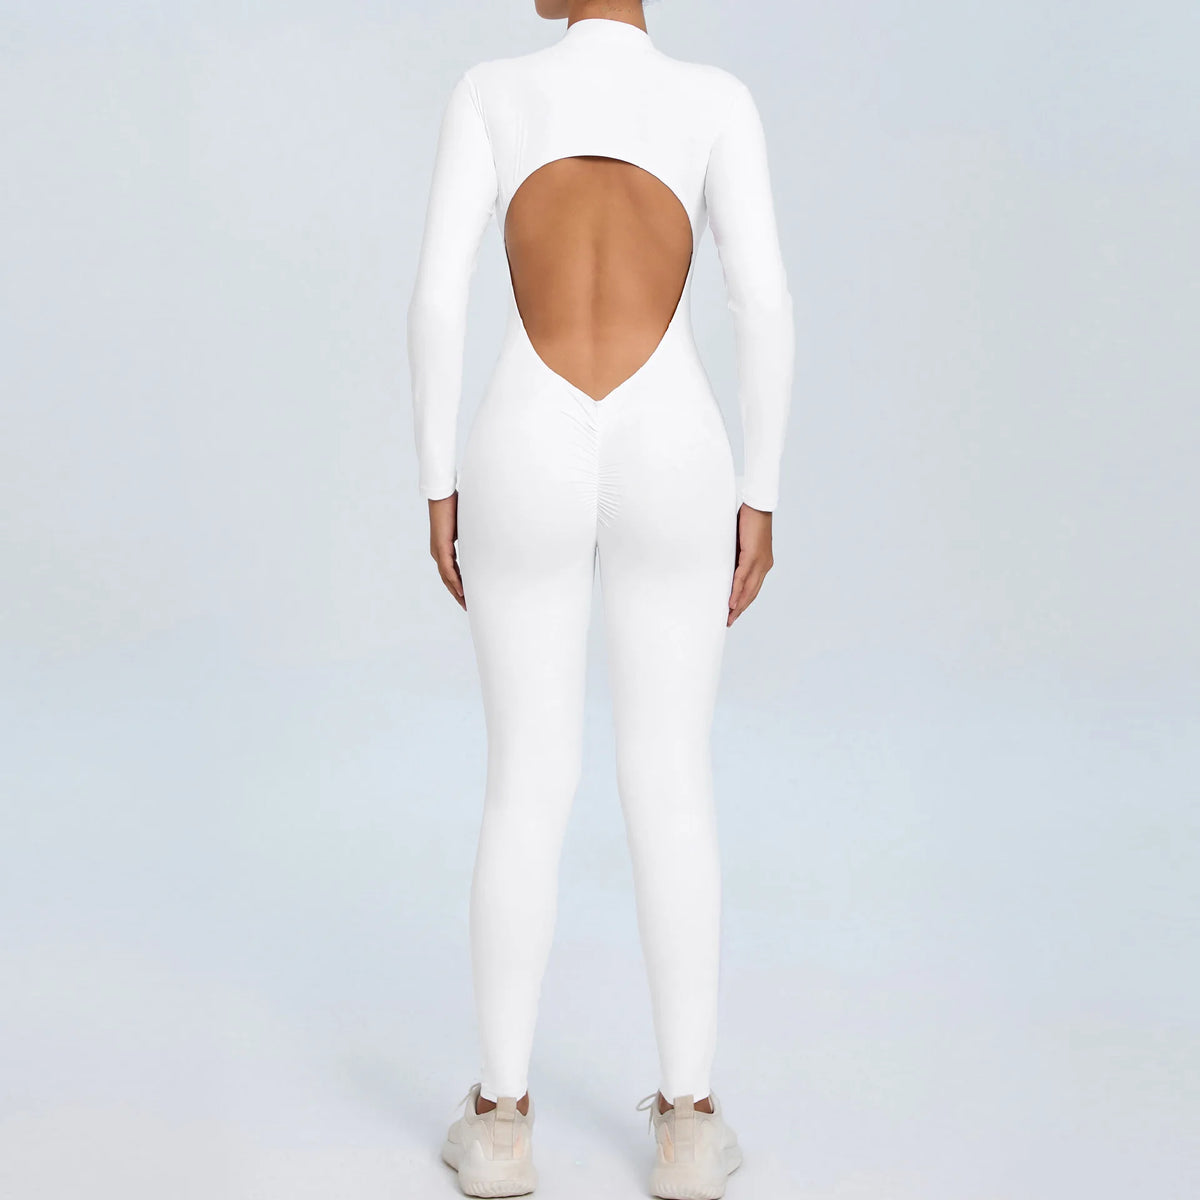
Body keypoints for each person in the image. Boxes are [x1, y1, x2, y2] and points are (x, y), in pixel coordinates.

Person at [407, 1, 793, 1195]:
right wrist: (763, 493)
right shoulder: (714, 99)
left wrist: (436, 480)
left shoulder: (490, 91)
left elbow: (437, 299)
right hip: (675, 444)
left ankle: (501, 1122)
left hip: (523, 437)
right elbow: (763, 303)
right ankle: (689, 1123)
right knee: (670, 774)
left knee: (525, 776)